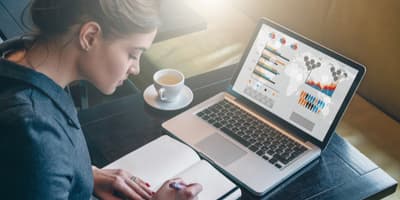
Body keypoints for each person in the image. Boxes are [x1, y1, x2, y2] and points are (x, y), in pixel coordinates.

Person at [0, 0, 202, 199]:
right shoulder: (36, 133)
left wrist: (82, 174)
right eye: (133, 53)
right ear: (90, 37)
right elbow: (35, 151)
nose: (136, 68)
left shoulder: (18, 53)